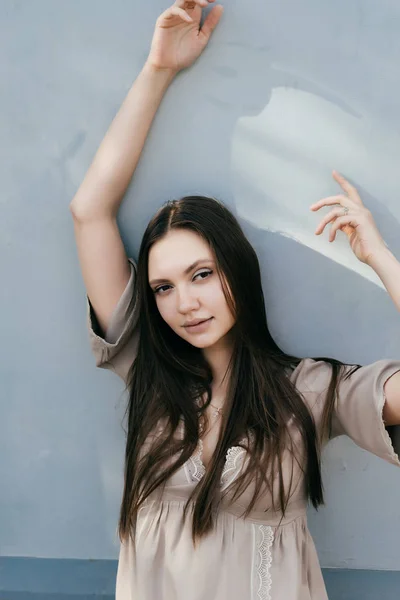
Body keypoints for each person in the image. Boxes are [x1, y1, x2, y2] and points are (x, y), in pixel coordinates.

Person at [69, 2, 400, 598]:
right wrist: (157, 68)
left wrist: (380, 258)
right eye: (163, 287)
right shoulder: (144, 368)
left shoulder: (311, 390)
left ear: (238, 274)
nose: (185, 303)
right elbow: (88, 210)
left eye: (202, 274)